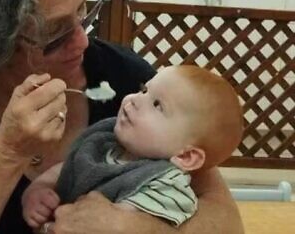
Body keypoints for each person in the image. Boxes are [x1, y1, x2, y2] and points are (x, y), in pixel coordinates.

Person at [0, 0, 244, 233]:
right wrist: (7, 153)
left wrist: (138, 227)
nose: (82, 41)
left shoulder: (128, 81)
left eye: (84, 11)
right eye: (55, 34)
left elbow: (226, 222)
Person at [22, 65, 243, 229]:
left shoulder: (165, 185)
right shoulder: (107, 144)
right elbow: (65, 168)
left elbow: (120, 226)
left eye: (157, 105)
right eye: (144, 90)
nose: (135, 99)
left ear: (186, 156)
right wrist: (38, 191)